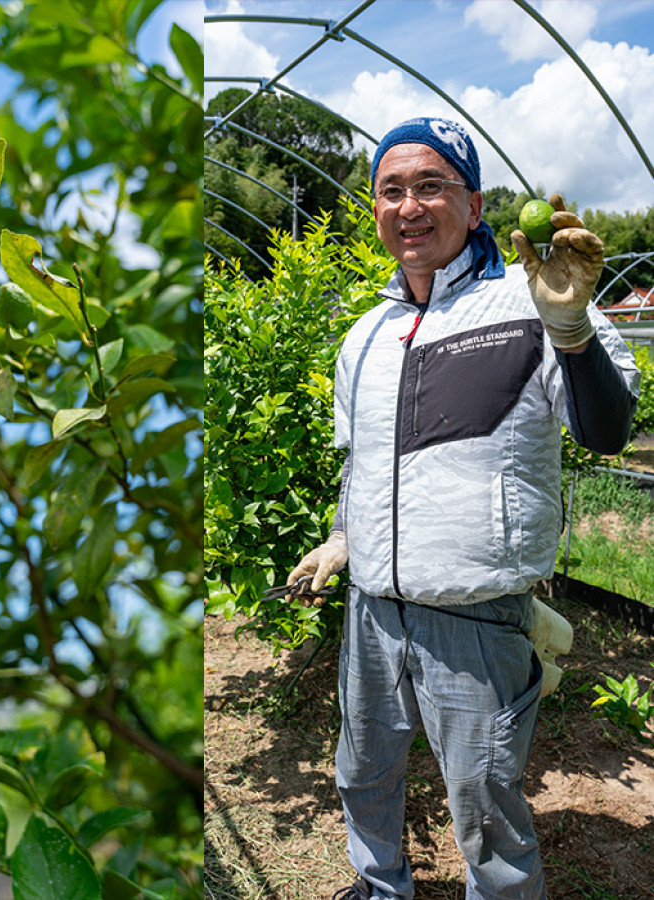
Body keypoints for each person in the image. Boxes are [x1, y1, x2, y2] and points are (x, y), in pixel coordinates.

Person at [286, 117, 640, 900]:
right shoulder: (365, 336)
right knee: (362, 772)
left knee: (484, 807)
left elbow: (608, 432)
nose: (409, 206)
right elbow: (363, 466)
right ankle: (380, 887)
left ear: (474, 205)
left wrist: (572, 330)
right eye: (391, 190)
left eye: (431, 185)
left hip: (475, 619)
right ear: (375, 209)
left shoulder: (531, 300)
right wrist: (341, 539)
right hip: (372, 612)